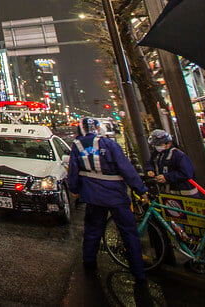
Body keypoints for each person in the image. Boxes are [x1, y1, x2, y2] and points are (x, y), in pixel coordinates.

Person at [66, 117, 148, 286]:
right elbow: (126, 169)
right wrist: (141, 190)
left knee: (92, 230)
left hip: (93, 196)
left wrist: (74, 190)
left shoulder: (78, 146)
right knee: (128, 232)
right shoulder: (109, 144)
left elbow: (73, 172)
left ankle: (88, 262)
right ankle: (138, 272)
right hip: (116, 195)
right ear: (97, 128)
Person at [146, 130, 198, 196]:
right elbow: (150, 162)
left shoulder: (179, 155)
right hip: (169, 193)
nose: (157, 147)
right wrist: (150, 170)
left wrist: (167, 177)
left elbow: (186, 173)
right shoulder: (157, 154)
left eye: (159, 144)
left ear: (168, 143)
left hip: (184, 193)